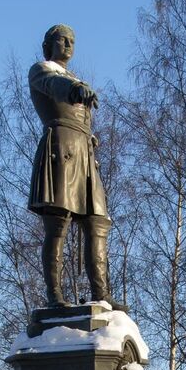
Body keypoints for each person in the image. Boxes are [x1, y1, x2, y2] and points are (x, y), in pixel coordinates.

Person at [27, 24, 114, 307]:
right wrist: (75, 89)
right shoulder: (42, 70)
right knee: (58, 223)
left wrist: (90, 137)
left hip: (85, 154)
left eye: (72, 40)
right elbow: (56, 87)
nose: (68, 44)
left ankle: (101, 296)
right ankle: (55, 297)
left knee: (97, 221)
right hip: (61, 150)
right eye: (62, 39)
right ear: (48, 44)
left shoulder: (75, 79)